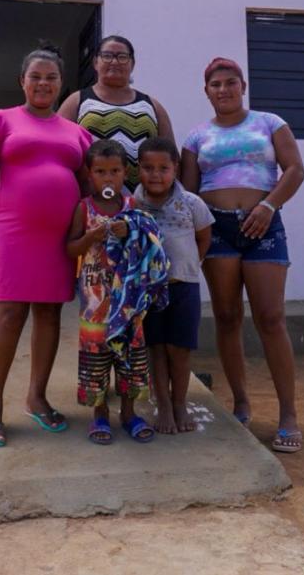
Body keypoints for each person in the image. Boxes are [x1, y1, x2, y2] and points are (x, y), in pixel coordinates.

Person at [180, 57, 304, 454]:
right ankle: (241, 403)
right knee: (227, 316)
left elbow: (295, 170)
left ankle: (288, 414)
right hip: (217, 231)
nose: (223, 89)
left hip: (264, 226)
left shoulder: (270, 123)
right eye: (215, 84)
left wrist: (268, 206)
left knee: (271, 318)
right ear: (206, 91)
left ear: (243, 85)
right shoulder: (196, 137)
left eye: (230, 82)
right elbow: (187, 193)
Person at [0, 47, 92, 448]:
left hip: (60, 237)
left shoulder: (77, 132)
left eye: (51, 77)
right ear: (22, 81)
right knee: (9, 315)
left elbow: (92, 184)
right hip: (15, 230)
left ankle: (37, 398)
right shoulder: (0, 121)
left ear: (60, 84)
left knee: (50, 314)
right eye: (35, 76)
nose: (43, 83)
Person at [65, 140, 156, 444]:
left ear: (125, 173)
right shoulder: (84, 208)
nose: (108, 178)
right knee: (96, 361)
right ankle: (100, 414)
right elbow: (70, 248)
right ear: (90, 175)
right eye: (101, 172)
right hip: (94, 306)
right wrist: (91, 236)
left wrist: (130, 231)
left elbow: (148, 245)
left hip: (127, 306)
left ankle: (129, 414)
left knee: (130, 358)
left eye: (114, 171)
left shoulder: (132, 208)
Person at [133, 136, 213, 435]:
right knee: (156, 348)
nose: (156, 175)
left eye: (163, 168)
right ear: (138, 169)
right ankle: (163, 403)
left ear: (176, 169)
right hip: (149, 291)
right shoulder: (133, 202)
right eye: (148, 168)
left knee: (179, 349)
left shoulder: (192, 203)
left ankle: (180, 402)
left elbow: (204, 238)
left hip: (184, 287)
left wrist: (189, 266)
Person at [58, 35, 175, 191]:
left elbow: (171, 155)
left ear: (132, 64)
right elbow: (57, 150)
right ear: (95, 62)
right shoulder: (77, 101)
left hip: (143, 204)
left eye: (122, 57)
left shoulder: (152, 105)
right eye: (107, 56)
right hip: (92, 201)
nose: (114, 62)